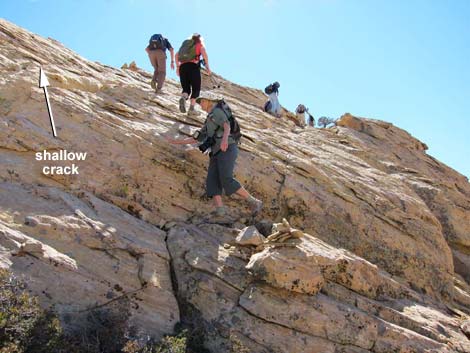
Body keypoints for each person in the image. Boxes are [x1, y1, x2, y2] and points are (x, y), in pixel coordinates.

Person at [165, 95, 263, 217]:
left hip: (227, 148)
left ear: (208, 101)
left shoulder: (216, 111)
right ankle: (220, 211)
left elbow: (226, 125)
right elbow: (197, 137)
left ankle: (254, 202)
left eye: (201, 102)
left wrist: (225, 140)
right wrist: (175, 142)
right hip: (216, 152)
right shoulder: (209, 119)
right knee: (212, 181)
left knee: (226, 179)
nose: (200, 105)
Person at [175, 33, 211, 116]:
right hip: (193, 67)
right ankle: (191, 109)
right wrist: (208, 68)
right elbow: (205, 55)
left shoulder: (185, 45)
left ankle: (183, 98)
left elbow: (177, 55)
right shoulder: (199, 45)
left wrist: (178, 67)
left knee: (186, 89)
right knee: (196, 89)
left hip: (183, 67)